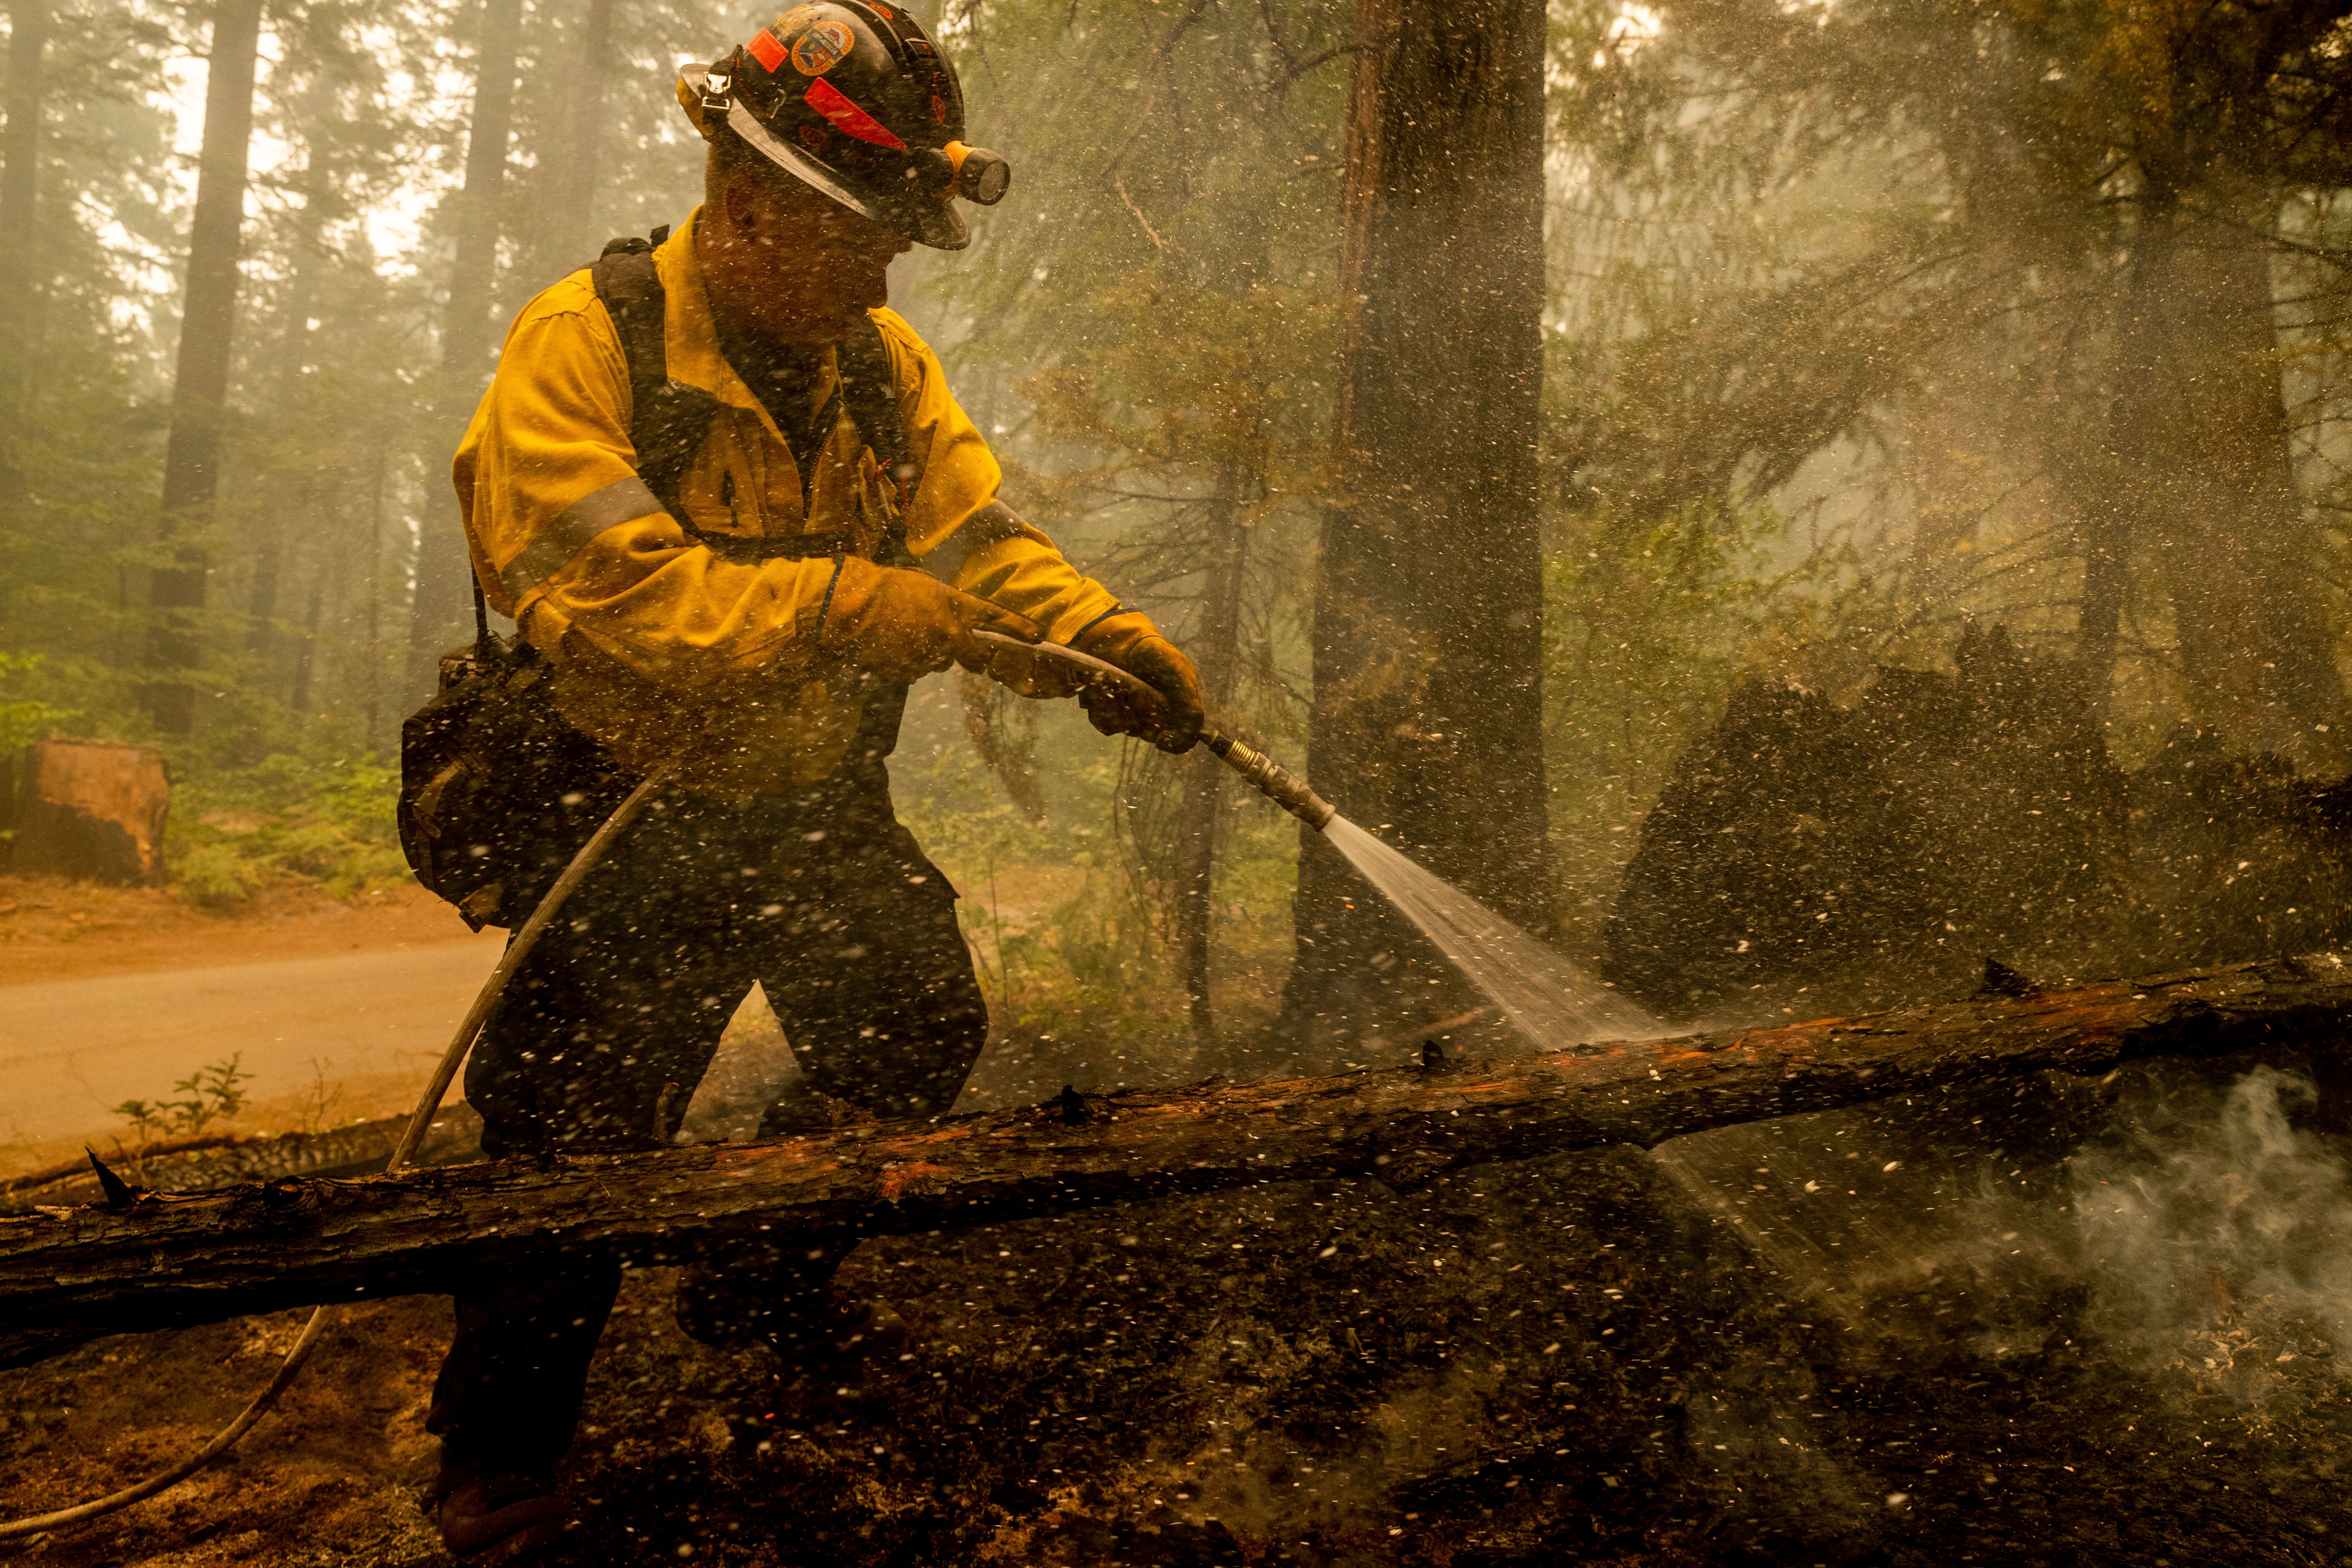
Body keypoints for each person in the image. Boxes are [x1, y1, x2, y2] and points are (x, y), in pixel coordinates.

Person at [421, 4, 1205, 1558]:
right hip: (619, 803)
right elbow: (608, 588)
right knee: (567, 1148)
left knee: (912, 1024)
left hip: (812, 801)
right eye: (861, 238)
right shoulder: (584, 343)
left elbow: (977, 545)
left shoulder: (880, 366)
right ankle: (500, 1455)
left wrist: (1097, 642)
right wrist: (842, 605)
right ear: (745, 205)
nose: (882, 275)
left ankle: (752, 1269)